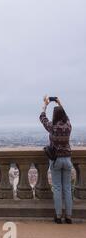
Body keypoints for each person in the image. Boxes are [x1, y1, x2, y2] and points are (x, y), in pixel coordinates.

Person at [40, 96, 73, 224]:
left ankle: (58, 216)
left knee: (58, 188)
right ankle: (69, 216)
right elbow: (67, 116)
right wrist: (59, 102)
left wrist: (45, 104)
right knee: (67, 188)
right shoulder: (68, 126)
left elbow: (42, 118)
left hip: (56, 160)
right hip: (67, 160)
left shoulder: (52, 127)